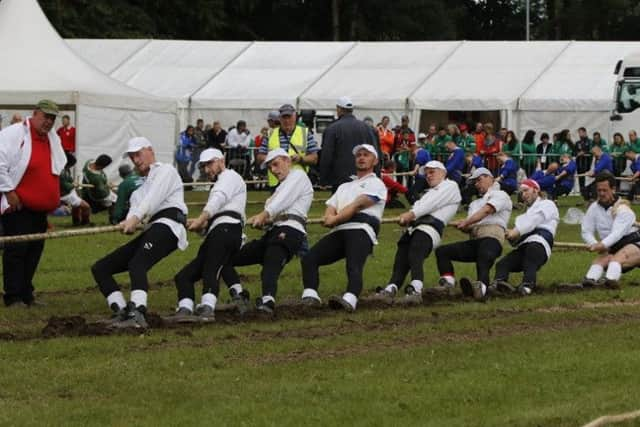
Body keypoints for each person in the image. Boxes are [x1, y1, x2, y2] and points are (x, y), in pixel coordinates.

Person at [91, 137, 188, 329]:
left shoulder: (165, 171)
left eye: (139, 154)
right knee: (101, 268)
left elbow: (150, 201)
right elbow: (137, 208)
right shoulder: (140, 187)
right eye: (132, 156)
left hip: (169, 227)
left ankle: (138, 313)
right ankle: (121, 310)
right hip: (153, 228)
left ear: (150, 150)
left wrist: (134, 218)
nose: (136, 159)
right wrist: (128, 222)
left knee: (137, 264)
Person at [221, 148, 313, 314]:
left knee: (272, 260)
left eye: (276, 164)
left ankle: (268, 302)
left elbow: (281, 203)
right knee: (224, 256)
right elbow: (272, 212)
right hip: (273, 231)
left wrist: (264, 215)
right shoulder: (280, 187)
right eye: (270, 167)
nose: (274, 170)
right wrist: (262, 221)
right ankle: (239, 294)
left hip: (291, 230)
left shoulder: (298, 176)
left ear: (288, 161)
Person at [300, 144, 386, 312]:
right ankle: (310, 295)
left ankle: (350, 299)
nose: (361, 157)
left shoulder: (377, 183)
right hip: (340, 229)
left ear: (374, 160)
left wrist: (335, 218)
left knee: (354, 265)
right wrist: (329, 217)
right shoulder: (344, 186)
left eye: (366, 155)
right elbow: (331, 205)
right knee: (310, 258)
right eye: (358, 155)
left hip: (361, 228)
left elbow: (357, 205)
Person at [169, 148, 248, 322]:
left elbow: (218, 200)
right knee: (184, 276)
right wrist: (199, 226)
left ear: (221, 160)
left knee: (211, 268)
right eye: (204, 166)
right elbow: (214, 217)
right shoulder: (221, 181)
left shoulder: (229, 176)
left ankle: (207, 307)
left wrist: (201, 218)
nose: (207, 170)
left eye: (209, 164)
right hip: (218, 231)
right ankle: (185, 307)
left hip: (227, 230)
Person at [0, 100, 66, 307]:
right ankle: (13, 296)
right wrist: (9, 191)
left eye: (52, 118)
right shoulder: (14, 134)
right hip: (20, 207)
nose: (48, 122)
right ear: (35, 113)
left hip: (40, 210)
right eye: (45, 116)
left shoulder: (51, 139)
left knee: (33, 252)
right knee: (16, 252)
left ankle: (26, 293)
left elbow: (55, 168)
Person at [376, 160, 461, 302]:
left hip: (430, 229)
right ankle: (392, 287)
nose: (428, 176)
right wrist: (408, 218)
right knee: (402, 257)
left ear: (443, 173)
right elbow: (420, 206)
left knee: (416, 253)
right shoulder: (429, 192)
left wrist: (411, 215)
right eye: (426, 173)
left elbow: (430, 205)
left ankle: (416, 287)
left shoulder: (450, 186)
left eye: (432, 172)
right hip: (415, 227)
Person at [434, 167, 512, 300]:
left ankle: (481, 288)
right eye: (474, 182)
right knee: (442, 251)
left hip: (492, 238)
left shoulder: (500, 195)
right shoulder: (474, 204)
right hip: (476, 239)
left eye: (479, 180)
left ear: (490, 178)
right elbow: (470, 226)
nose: (476, 184)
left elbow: (487, 211)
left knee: (484, 256)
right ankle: (447, 283)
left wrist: (466, 222)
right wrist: (463, 226)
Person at [493, 179, 559, 296]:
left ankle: (527, 285)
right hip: (525, 246)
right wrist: (509, 235)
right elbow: (516, 240)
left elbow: (532, 221)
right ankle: (499, 285)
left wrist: (514, 232)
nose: (523, 194)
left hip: (540, 244)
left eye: (526, 190)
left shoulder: (547, 204)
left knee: (531, 252)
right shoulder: (523, 216)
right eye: (521, 192)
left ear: (536, 190)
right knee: (502, 264)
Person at [580, 172, 640, 289]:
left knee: (617, 259)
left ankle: (611, 281)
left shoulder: (623, 209)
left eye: (605, 190)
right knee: (600, 261)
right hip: (613, 246)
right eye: (599, 190)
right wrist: (593, 244)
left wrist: (602, 244)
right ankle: (589, 281)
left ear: (613, 189)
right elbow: (586, 230)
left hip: (634, 243)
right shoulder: (594, 208)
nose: (601, 193)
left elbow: (616, 234)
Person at [257, 104, 319, 189]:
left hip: (298, 182)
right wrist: (274, 159)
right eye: (284, 117)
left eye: (289, 117)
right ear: (279, 118)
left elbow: (314, 158)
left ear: (295, 117)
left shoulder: (305, 133)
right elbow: (260, 157)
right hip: (276, 182)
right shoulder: (270, 134)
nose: (287, 120)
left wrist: (301, 159)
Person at [59, 152, 91, 226]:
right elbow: (65, 186)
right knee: (86, 206)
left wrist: (73, 184)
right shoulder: (61, 171)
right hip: (63, 194)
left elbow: (69, 180)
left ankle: (76, 222)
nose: (71, 166)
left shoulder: (66, 169)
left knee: (76, 206)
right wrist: (73, 185)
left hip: (68, 192)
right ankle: (85, 223)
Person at [574, 127, 592, 193]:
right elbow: (574, 152)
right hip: (579, 163)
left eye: (581, 132)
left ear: (585, 132)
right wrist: (578, 153)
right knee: (581, 179)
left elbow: (591, 151)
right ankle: (582, 193)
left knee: (588, 179)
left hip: (587, 164)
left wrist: (584, 152)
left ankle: (588, 193)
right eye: (579, 133)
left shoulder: (590, 141)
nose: (580, 134)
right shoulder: (577, 143)